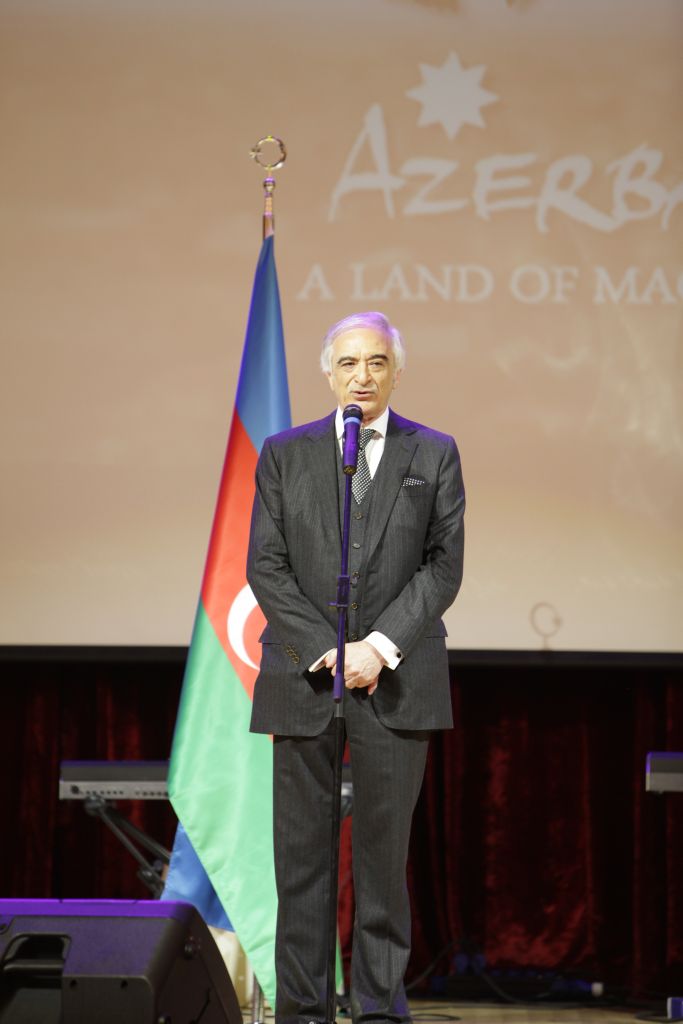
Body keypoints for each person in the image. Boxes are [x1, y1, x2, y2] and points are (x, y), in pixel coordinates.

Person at [247, 311, 465, 1024]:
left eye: (376, 362)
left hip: (397, 680)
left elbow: (442, 567)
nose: (361, 376)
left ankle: (378, 1010)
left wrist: (377, 647)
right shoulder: (284, 453)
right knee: (301, 867)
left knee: (382, 864)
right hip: (304, 678)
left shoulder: (433, 452)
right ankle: (303, 1012)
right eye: (347, 363)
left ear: (396, 372)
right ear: (328, 373)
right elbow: (266, 566)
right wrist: (327, 647)